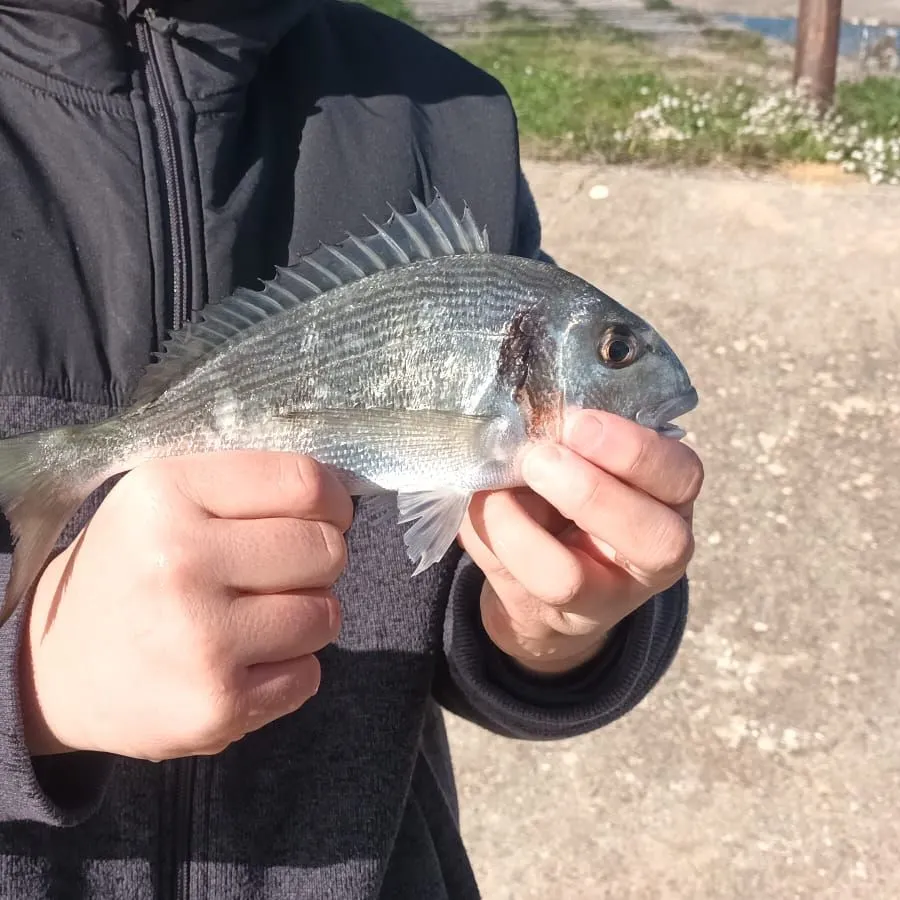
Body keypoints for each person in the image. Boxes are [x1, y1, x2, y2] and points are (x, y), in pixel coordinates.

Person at [0, 0, 703, 897]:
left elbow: (460, 573)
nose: (632, 368)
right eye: (615, 352)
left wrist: (557, 622)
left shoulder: (451, 118)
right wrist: (30, 683)